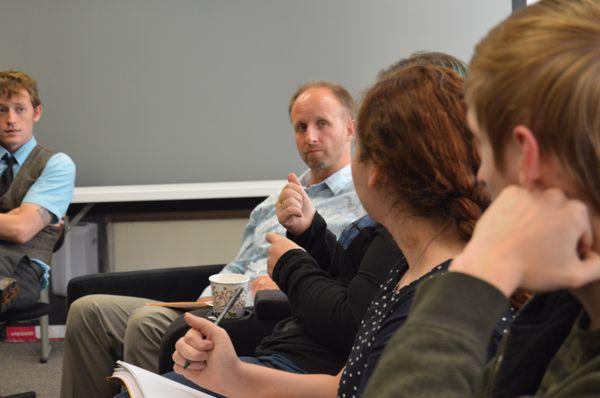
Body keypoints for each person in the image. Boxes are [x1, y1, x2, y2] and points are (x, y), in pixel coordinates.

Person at [168, 64, 511, 397]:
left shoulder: (441, 308)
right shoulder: (405, 272)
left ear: (376, 171)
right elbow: (343, 387)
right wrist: (233, 375)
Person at [60, 81, 365, 398]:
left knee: (146, 321)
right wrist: (206, 300)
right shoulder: (271, 204)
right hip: (212, 306)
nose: (310, 137)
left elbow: (342, 285)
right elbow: (237, 266)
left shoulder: (362, 204)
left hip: (264, 313)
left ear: (349, 128)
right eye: (301, 127)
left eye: (322, 124)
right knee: (88, 311)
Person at [363, 1, 600, 397]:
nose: (481, 173)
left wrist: (481, 270)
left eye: (480, 143)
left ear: (527, 158)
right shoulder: (563, 307)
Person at [0, 70, 75, 313]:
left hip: (21, 275)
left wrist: (19, 220)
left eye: (19, 108)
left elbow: (21, 230)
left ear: (36, 112)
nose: (11, 119)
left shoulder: (56, 164)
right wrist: (14, 217)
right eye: (2, 110)